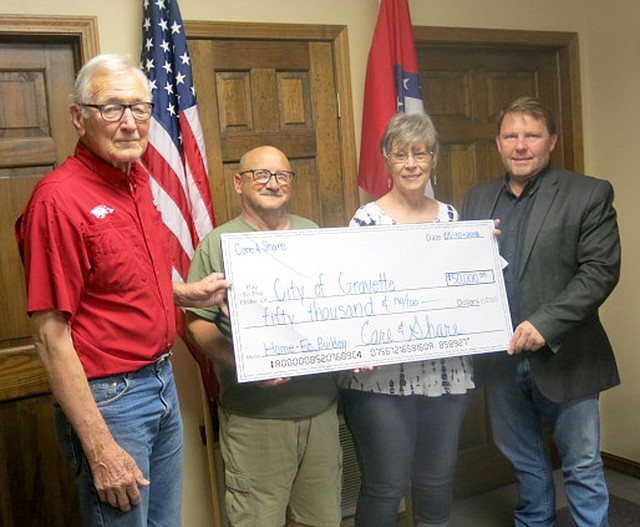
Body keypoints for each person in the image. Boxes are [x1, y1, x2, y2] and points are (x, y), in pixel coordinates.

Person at [15, 54, 230, 527]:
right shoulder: (58, 201)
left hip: (161, 382)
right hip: (110, 400)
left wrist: (186, 293)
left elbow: (126, 278)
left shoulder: (138, 181)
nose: (131, 123)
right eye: (112, 108)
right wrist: (100, 447)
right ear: (78, 117)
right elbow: (50, 336)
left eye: (140, 108)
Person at [462, 96, 621, 527]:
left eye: (531, 135)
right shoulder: (476, 202)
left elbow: (600, 272)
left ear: (551, 140)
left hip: (566, 356)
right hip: (502, 360)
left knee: (582, 464)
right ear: (497, 143)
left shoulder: (587, 192)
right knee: (525, 464)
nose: (521, 145)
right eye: (511, 135)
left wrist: (544, 325)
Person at [185, 145, 342, 527]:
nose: (273, 184)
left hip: (320, 409)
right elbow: (196, 322)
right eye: (262, 175)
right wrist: (237, 360)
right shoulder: (218, 244)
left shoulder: (314, 234)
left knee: (319, 519)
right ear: (240, 183)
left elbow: (338, 306)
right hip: (256, 417)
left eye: (282, 176)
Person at [339, 112, 474, 527]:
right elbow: (350, 295)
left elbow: (464, 291)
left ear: (433, 158)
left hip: (445, 373)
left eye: (421, 153)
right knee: (385, 484)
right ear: (387, 160)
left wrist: (481, 256)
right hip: (381, 378)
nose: (412, 163)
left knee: (436, 481)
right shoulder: (366, 221)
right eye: (401, 154)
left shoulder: (452, 218)